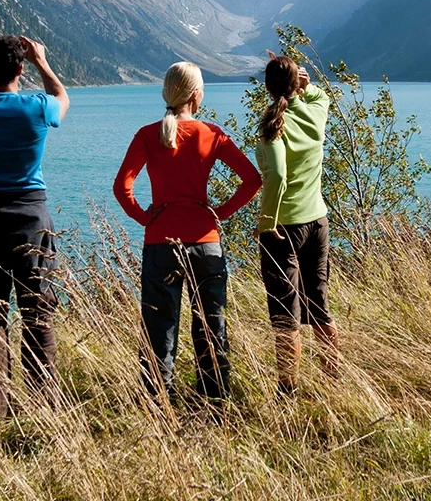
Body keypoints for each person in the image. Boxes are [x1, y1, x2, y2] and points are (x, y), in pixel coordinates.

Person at [113, 62, 261, 402]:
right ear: (196, 95)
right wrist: (219, 213)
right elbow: (252, 180)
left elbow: (122, 187)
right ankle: (214, 404)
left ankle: (157, 405)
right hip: (206, 245)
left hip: (161, 244)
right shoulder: (212, 134)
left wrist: (146, 219)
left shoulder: (148, 135)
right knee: (212, 327)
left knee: (159, 328)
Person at [0, 34, 70, 415]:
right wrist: (42, 61)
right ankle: (43, 407)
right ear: (21, 69)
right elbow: (63, 98)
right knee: (37, 314)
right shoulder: (36, 108)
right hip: (30, 218)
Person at [254, 55, 337, 393]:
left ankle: (287, 392)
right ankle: (334, 381)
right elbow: (323, 96)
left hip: (283, 228)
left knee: (285, 316)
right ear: (297, 83)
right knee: (319, 304)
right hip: (318, 221)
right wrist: (306, 84)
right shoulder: (315, 112)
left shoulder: (274, 125)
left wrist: (265, 221)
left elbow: (276, 175)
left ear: (267, 87)